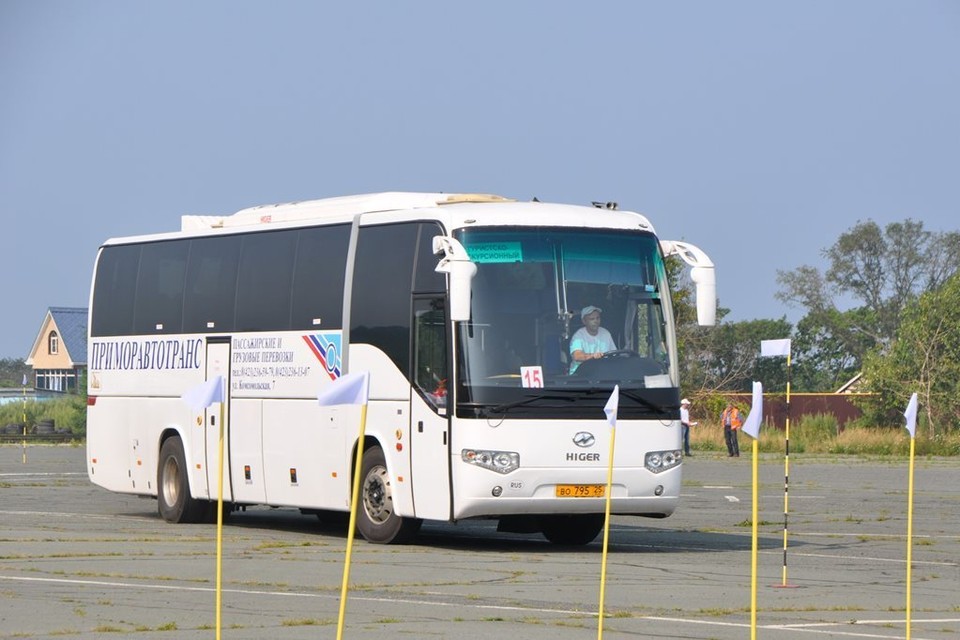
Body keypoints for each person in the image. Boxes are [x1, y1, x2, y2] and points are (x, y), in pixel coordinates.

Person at [569, 305, 617, 373]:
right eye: (592, 319)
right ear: (584, 321)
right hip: (580, 374)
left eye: (597, 318)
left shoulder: (606, 333)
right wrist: (593, 356)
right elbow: (577, 356)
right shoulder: (578, 336)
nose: (596, 321)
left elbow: (614, 354)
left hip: (601, 373)